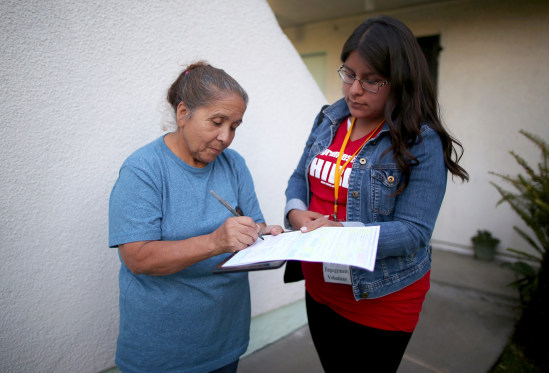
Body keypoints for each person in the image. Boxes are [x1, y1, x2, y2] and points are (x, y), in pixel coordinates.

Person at [284, 16, 469, 372]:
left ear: (400, 82)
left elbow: (414, 231)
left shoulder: (422, 141)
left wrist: (342, 234)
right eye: (349, 74)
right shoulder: (329, 119)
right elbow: (298, 178)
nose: (354, 89)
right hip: (319, 286)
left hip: (379, 296)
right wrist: (295, 213)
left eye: (371, 81)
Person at [109, 61, 282, 373]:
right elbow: (137, 258)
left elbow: (253, 221)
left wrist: (262, 234)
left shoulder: (234, 164)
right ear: (183, 113)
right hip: (162, 352)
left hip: (225, 339)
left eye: (234, 126)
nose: (226, 137)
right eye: (217, 122)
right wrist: (215, 241)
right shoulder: (143, 170)